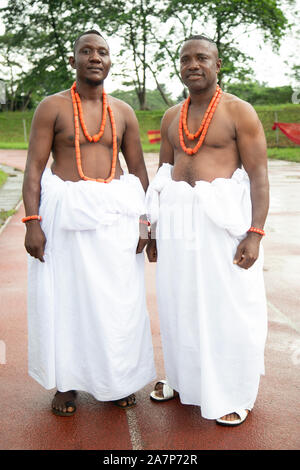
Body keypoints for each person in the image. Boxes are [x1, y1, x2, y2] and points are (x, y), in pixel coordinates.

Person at [22, 30, 156, 416]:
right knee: (65, 300)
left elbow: (138, 169)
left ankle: (115, 381)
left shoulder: (124, 111)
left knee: (117, 303)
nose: (95, 57)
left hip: (116, 216)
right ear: (73, 60)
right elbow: (33, 168)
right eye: (86, 51)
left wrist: (147, 224)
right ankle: (66, 385)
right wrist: (32, 221)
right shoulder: (52, 107)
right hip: (66, 216)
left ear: (110, 61)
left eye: (102, 52)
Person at [146, 35, 269, 426]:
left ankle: (234, 391)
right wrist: (152, 230)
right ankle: (184, 379)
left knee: (227, 308)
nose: (193, 65)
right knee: (178, 304)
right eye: (186, 59)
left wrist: (255, 232)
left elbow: (259, 175)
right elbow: (163, 177)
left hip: (222, 223)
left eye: (202, 58)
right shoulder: (170, 116)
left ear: (218, 64)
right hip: (177, 223)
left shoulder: (239, 112)